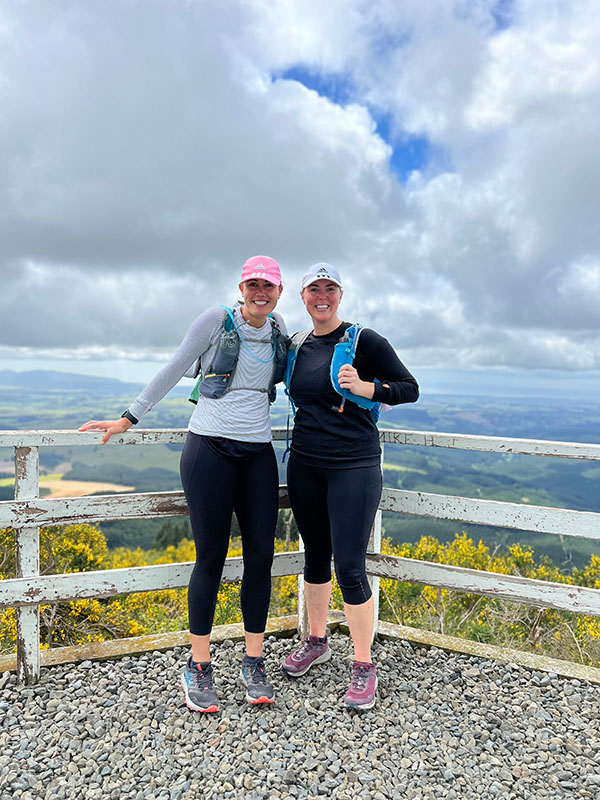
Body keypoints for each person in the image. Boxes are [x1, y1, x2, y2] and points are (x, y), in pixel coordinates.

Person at [79, 256, 288, 713]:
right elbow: (175, 366)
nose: (260, 292)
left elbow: (300, 375)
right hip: (209, 449)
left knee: (261, 556)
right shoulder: (216, 320)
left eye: (268, 286)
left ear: (278, 291)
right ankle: (198, 665)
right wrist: (129, 417)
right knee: (210, 557)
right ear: (241, 286)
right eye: (253, 284)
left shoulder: (279, 328)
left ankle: (254, 661)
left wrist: (366, 397)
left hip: (257, 453)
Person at [281, 262, 419, 710]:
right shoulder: (298, 345)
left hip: (353, 466)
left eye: (330, 288)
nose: (322, 296)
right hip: (304, 463)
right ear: (302, 297)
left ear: (340, 295)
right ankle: (316, 640)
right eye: (313, 289)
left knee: (351, 567)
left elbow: (409, 388)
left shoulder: (364, 340)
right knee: (315, 557)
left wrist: (367, 386)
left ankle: (363, 666)